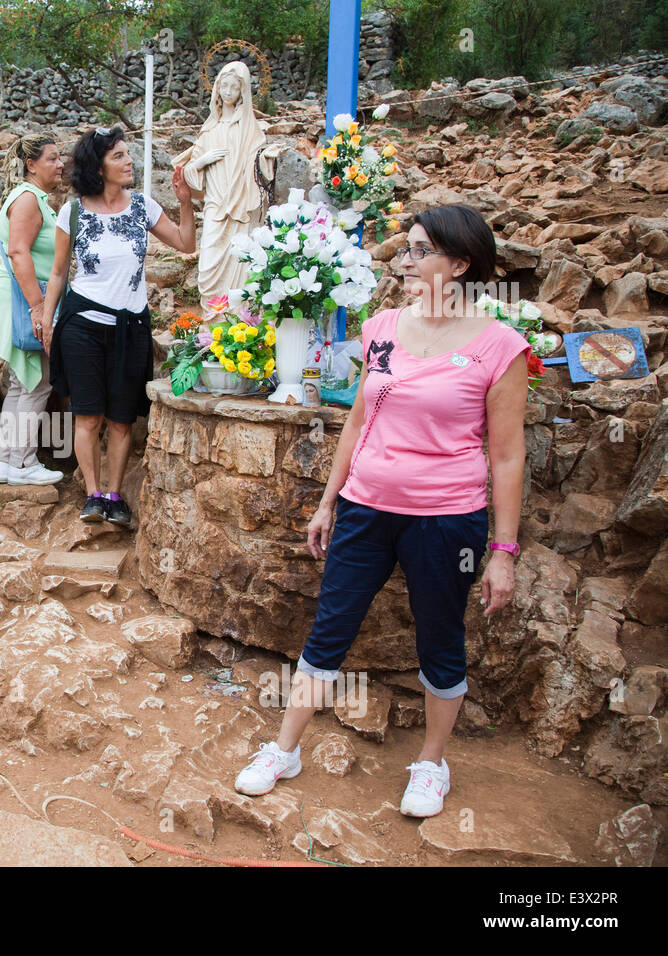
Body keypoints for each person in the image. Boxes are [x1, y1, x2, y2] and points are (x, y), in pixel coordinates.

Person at [233, 205, 529, 818]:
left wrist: (502, 552)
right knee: (330, 627)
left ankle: (431, 764)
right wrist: (328, 500)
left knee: (441, 636)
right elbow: (361, 420)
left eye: (422, 251)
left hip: (450, 520)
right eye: (408, 249)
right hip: (366, 509)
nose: (407, 260)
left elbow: (506, 458)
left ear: (462, 264)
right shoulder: (384, 326)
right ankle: (284, 748)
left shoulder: (500, 348)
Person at [40, 126, 196, 526]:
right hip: (83, 326)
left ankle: (115, 495)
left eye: (129, 155)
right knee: (88, 417)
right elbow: (58, 274)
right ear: (99, 166)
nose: (129, 162)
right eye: (119, 156)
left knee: (122, 419)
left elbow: (184, 244)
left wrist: (184, 203)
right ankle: (93, 495)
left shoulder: (142, 207)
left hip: (131, 327)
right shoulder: (72, 212)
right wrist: (47, 318)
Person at [0, 133, 66, 487]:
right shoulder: (29, 199)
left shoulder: (34, 198)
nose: (61, 164)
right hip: (25, 300)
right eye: (52, 159)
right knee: (37, 383)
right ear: (31, 165)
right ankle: (22, 462)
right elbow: (19, 252)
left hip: (18, 298)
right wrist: (38, 309)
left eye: (60, 158)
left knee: (23, 382)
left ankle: (8, 462)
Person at [175, 61, 281, 302]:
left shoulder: (249, 130)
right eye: (224, 85)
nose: (228, 91)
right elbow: (189, 170)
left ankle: (238, 325)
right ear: (217, 89)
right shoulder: (209, 129)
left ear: (242, 92)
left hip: (240, 205)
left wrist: (266, 157)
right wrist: (203, 161)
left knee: (239, 264)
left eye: (234, 87)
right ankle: (212, 319)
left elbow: (257, 159)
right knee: (208, 268)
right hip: (215, 205)